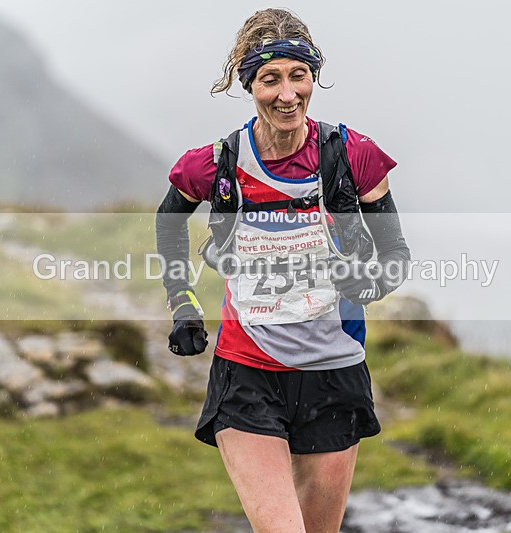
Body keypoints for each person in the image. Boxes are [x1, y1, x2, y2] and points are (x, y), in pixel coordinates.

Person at [155, 8, 409, 532]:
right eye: (270, 79)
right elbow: (168, 220)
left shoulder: (352, 157)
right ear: (249, 84)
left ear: (314, 77)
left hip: (333, 371)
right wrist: (182, 302)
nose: (287, 93)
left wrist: (370, 282)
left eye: (299, 76)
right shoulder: (218, 163)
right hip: (246, 371)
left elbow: (395, 257)